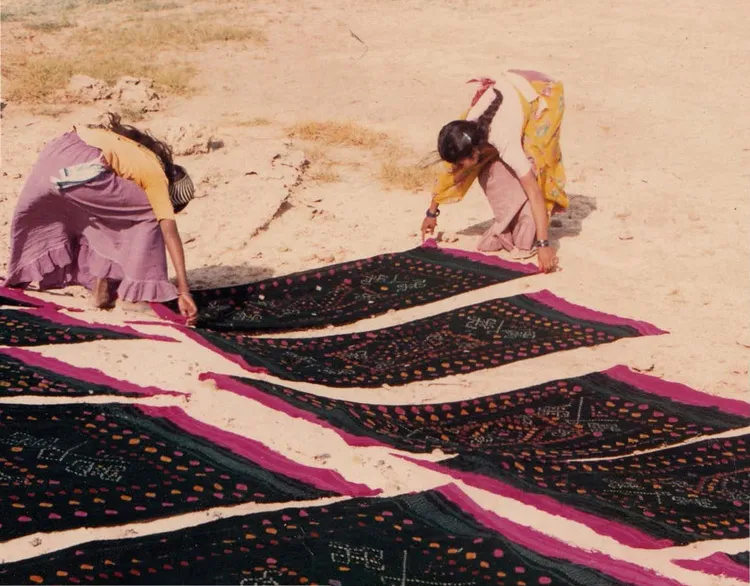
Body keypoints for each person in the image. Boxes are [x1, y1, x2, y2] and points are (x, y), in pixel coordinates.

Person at [3, 113, 199, 324]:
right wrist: (184, 290)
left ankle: (102, 288)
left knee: (111, 214)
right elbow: (169, 232)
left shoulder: (131, 151)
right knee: (148, 214)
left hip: (57, 153)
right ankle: (135, 298)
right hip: (81, 167)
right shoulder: (156, 177)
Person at [421, 69, 569, 273]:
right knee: (488, 167)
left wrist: (544, 245)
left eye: (462, 162)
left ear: (475, 151)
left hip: (542, 91)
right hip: (511, 90)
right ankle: (512, 225)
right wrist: (431, 212)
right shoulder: (468, 125)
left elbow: (534, 191)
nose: (459, 169)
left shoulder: (505, 141)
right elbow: (451, 173)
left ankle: (535, 228)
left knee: (537, 161)